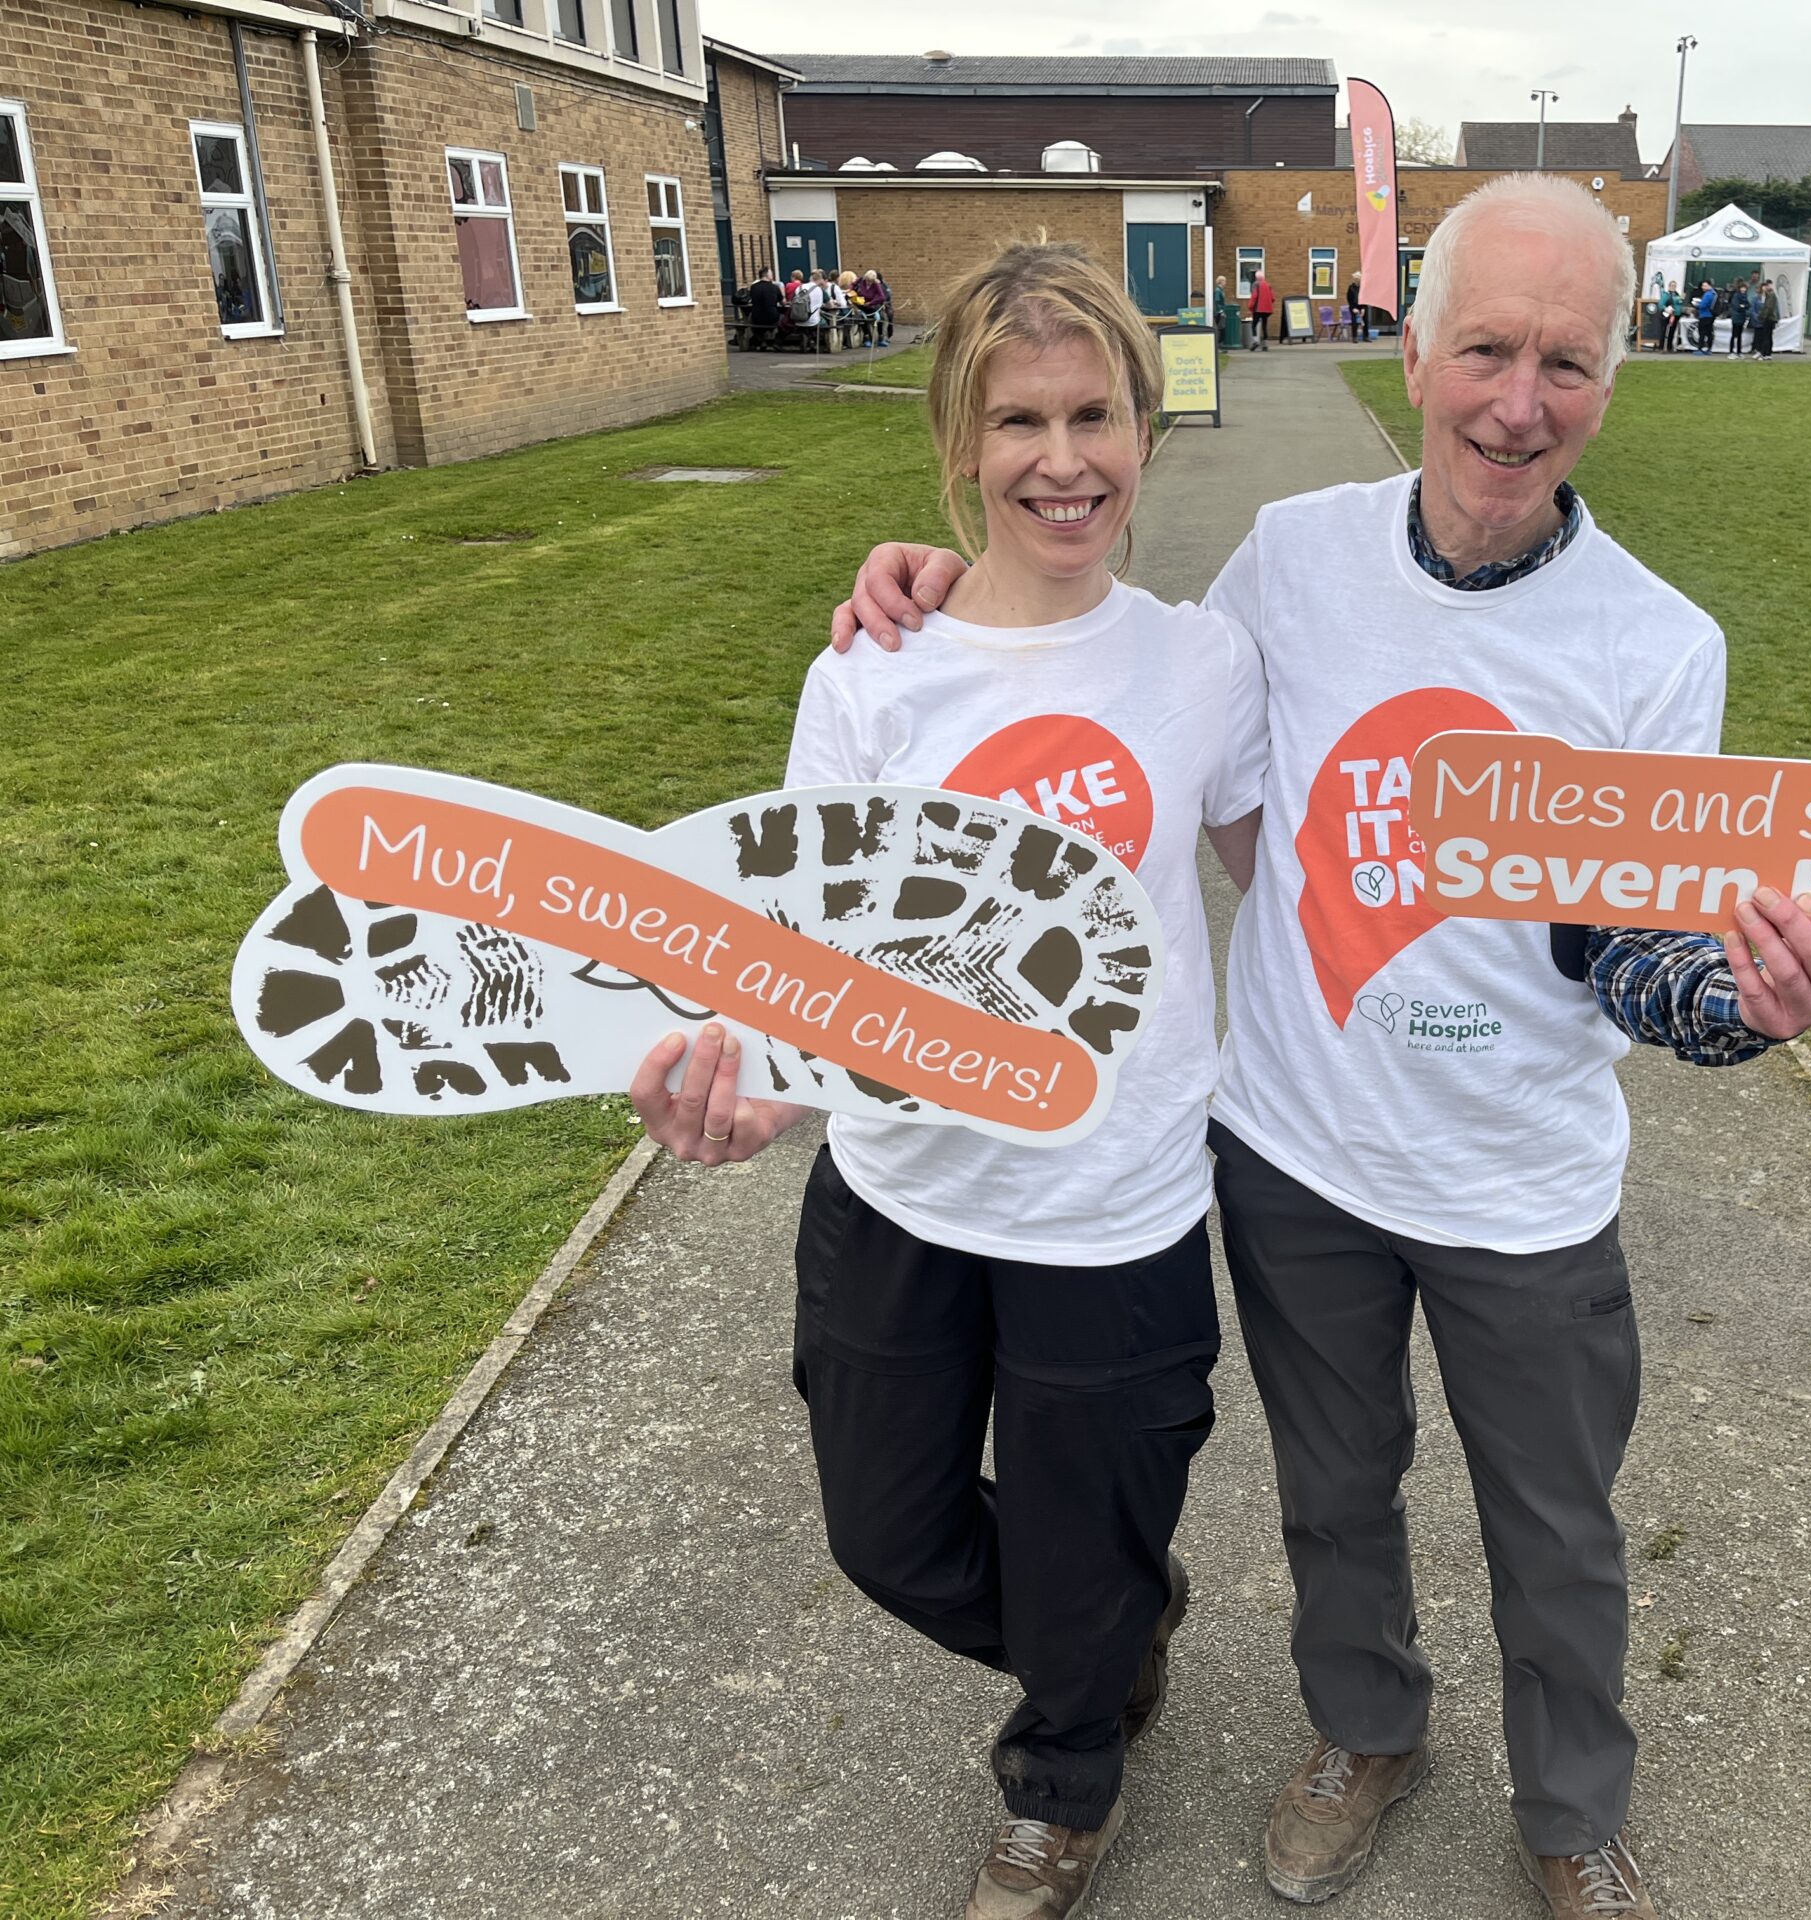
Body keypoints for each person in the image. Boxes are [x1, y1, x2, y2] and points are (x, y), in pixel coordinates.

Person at [831, 173, 1811, 1920]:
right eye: (1484, 349)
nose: (1516, 404)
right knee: (1336, 1497)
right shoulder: (1293, 561)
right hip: (1297, 1154)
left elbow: (1630, 942)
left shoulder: (1653, 644)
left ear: (1616, 379)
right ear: (1413, 349)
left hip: (1519, 1181)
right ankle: (1364, 1729)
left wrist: (1737, 1006)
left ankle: (1573, 1815)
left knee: (1556, 1531)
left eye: (1567, 363)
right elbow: (1119, 694)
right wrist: (926, 581)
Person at [636, 237, 1268, 1920]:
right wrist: (757, 1086)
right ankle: (1107, 1623)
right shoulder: (873, 672)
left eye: (1094, 414)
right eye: (1018, 424)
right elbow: (795, 949)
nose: (1061, 461)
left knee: (1081, 1544)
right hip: (905, 1193)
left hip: (1112, 1205)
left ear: (1147, 420)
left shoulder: (1203, 664)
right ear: (957, 445)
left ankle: (1066, 1773)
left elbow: (1290, 872)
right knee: (889, 1536)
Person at [1249, 269, 1277, 350]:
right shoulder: (1268, 285)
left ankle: (1255, 342)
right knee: (1264, 325)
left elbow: (1254, 296)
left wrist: (1250, 306)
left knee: (1254, 325)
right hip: (1267, 310)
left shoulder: (1256, 285)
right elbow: (1272, 298)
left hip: (1258, 309)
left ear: (1256, 277)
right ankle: (1265, 344)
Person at [1752, 277, 1778, 360]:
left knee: (1766, 337)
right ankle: (1767, 354)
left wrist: (1762, 317)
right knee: (1768, 337)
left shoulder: (1771, 295)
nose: (1766, 287)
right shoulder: (1769, 295)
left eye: (1768, 285)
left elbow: (1768, 308)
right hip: (1769, 318)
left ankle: (1765, 354)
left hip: (1768, 319)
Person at [1691, 280, 1716, 354]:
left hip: (1705, 315)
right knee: (1709, 333)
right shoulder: (1714, 293)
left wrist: (1696, 304)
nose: (1703, 287)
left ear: (1709, 286)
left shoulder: (1708, 294)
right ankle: (1709, 349)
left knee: (1702, 332)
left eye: (1705, 286)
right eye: (1702, 286)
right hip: (1711, 315)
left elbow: (1702, 305)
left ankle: (1700, 349)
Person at [1726, 278, 1750, 357]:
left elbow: (1748, 305)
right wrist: (1743, 306)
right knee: (1734, 335)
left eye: (1745, 288)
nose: (1743, 289)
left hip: (1742, 318)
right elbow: (1737, 306)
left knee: (1740, 335)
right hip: (1736, 318)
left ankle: (1739, 351)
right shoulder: (1736, 295)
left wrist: (1743, 306)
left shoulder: (1744, 296)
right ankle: (1731, 351)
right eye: (1742, 288)